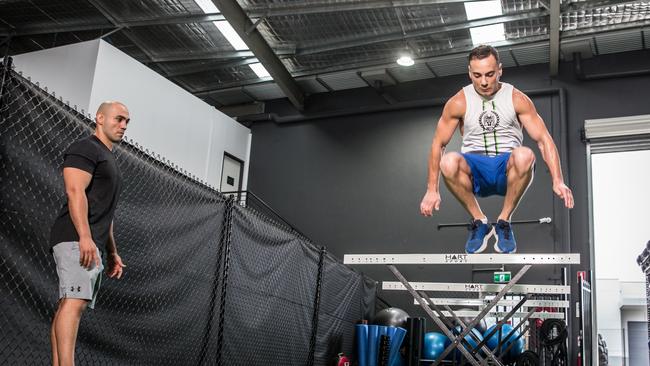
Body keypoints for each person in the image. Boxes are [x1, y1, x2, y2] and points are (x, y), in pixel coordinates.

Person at [419, 45, 573, 254]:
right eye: (477, 75)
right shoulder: (458, 102)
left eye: (490, 74)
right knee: (448, 161)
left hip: (507, 170)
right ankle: (479, 221)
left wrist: (558, 180)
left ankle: (504, 221)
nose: (484, 82)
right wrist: (431, 189)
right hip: (476, 172)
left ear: (500, 70)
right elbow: (438, 144)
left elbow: (544, 140)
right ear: (469, 73)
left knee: (525, 154)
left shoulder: (517, 98)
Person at [49, 101, 129, 366]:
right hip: (75, 237)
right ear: (100, 118)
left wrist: (112, 250)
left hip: (91, 240)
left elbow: (106, 212)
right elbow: (74, 191)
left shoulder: (109, 159)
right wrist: (84, 236)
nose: (123, 126)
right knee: (74, 303)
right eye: (118, 119)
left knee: (69, 305)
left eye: (126, 121)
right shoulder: (86, 148)